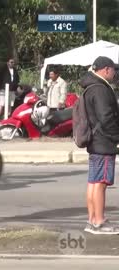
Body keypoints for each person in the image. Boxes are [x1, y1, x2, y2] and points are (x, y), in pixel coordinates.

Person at [81, 56, 119, 234]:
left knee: (93, 181)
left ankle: (92, 219)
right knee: (101, 183)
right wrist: (116, 137)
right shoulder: (101, 89)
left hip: (94, 141)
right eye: (114, 70)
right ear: (106, 70)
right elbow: (106, 118)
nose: (115, 73)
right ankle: (99, 221)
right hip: (104, 142)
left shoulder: (89, 87)